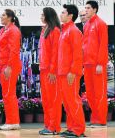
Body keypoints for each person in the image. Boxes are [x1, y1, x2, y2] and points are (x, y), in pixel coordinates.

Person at [58, 4, 85, 137]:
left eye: (63, 12)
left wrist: (73, 71)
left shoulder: (74, 31)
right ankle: (71, 127)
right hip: (63, 72)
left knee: (73, 100)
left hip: (70, 73)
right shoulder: (64, 30)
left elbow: (78, 54)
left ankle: (78, 129)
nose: (61, 14)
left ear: (70, 16)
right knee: (67, 102)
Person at [83, 0, 108, 127]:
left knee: (99, 92)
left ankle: (101, 120)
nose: (86, 10)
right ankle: (94, 119)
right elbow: (85, 46)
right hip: (87, 64)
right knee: (91, 93)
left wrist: (100, 63)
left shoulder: (101, 24)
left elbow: (103, 45)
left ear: (95, 9)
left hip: (97, 64)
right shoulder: (87, 25)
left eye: (88, 8)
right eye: (85, 8)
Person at [0, 9, 22, 130]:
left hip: (9, 66)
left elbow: (14, 50)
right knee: (6, 94)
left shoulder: (13, 30)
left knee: (9, 94)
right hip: (2, 65)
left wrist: (9, 66)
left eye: (3, 15)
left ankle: (13, 122)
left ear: (10, 17)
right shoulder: (2, 30)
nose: (1, 17)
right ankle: (11, 121)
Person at [38, 7, 62, 135]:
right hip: (43, 69)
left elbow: (55, 53)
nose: (41, 17)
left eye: (43, 15)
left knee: (53, 100)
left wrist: (53, 70)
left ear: (48, 16)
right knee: (46, 100)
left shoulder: (55, 31)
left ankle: (54, 127)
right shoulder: (45, 30)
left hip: (51, 71)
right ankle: (48, 125)